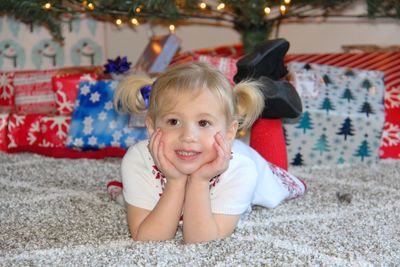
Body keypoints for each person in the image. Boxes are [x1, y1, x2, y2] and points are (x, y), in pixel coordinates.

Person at [110, 61, 306, 244]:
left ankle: (271, 101)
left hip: (262, 170)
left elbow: (202, 242)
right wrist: (176, 182)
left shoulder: (241, 169)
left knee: (277, 167)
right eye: (173, 121)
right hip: (207, 151)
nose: (188, 136)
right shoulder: (138, 159)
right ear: (152, 128)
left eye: (203, 123)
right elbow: (147, 239)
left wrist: (199, 181)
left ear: (230, 132)